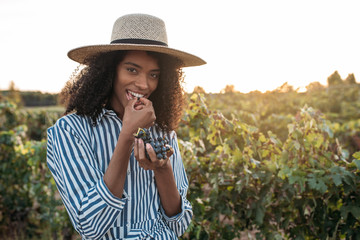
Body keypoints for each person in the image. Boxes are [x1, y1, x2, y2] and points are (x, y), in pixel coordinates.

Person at [46, 13, 206, 239]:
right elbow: (91, 227)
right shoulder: (72, 130)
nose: (144, 84)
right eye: (132, 70)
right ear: (110, 71)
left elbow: (179, 224)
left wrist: (162, 168)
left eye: (154, 75)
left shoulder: (163, 132)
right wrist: (127, 135)